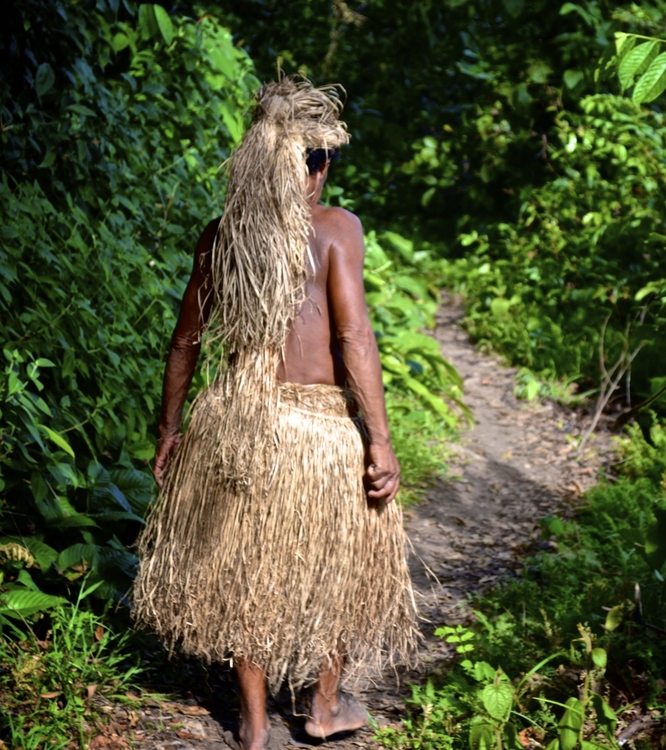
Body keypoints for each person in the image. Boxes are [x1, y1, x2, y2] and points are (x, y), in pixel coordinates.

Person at [132, 78, 416, 750]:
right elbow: (353, 339)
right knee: (346, 565)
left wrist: (170, 430)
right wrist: (379, 440)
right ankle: (322, 708)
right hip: (317, 431)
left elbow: (183, 345)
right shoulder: (337, 229)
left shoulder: (219, 235)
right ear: (315, 165)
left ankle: (254, 725)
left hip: (235, 423)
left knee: (245, 569)